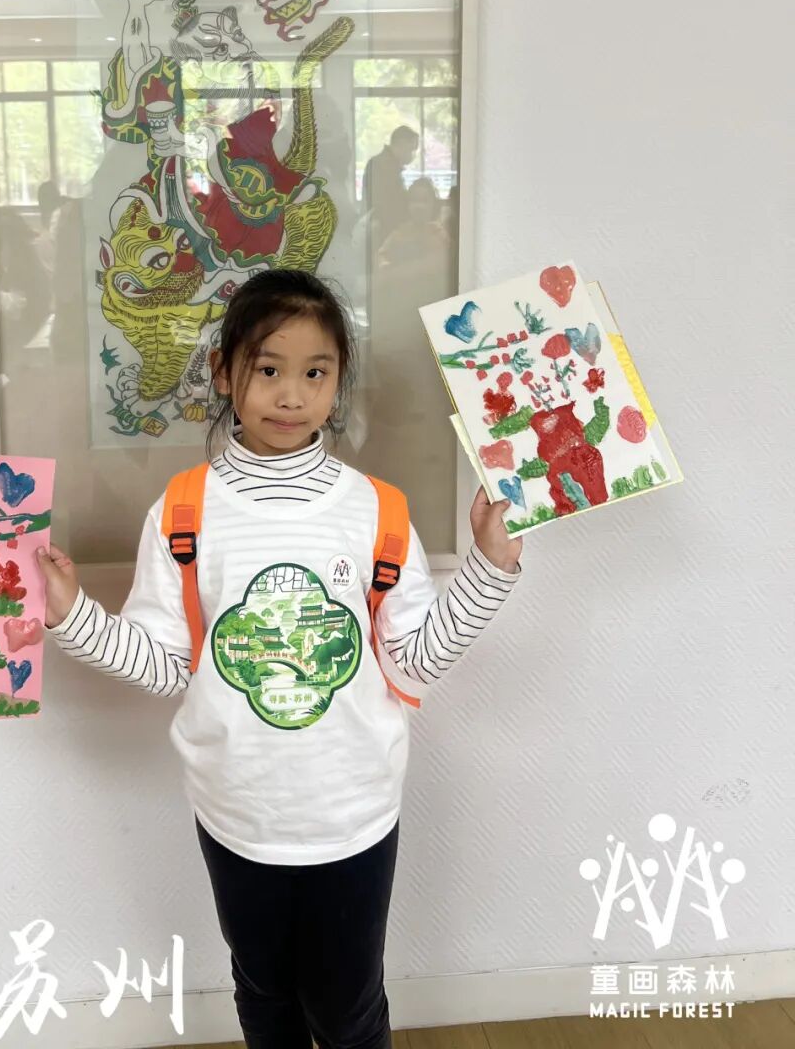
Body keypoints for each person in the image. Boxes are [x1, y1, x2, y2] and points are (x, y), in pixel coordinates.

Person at [37, 268, 524, 1049]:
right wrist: (72, 616)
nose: (291, 395)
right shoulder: (183, 511)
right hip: (236, 814)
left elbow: (415, 662)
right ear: (225, 373)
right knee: (263, 995)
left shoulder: (378, 509)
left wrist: (489, 568)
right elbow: (162, 664)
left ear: (339, 382)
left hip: (353, 816)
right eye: (268, 369)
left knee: (348, 1009)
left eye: (315, 373)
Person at [360, 125, 420, 252]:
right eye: (412, 149)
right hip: (384, 231)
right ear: (401, 144)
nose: (413, 154)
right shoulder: (384, 166)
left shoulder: (384, 163)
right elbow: (391, 205)